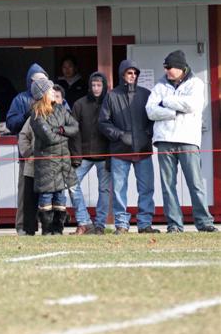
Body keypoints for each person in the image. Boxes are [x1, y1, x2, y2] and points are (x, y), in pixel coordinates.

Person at [146, 50, 218, 233]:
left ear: (180, 67)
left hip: (188, 140)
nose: (166, 70)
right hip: (164, 140)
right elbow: (150, 111)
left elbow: (192, 105)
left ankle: (204, 222)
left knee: (195, 183)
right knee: (167, 185)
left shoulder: (196, 83)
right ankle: (174, 225)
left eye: (169, 67)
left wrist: (166, 101)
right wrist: (174, 112)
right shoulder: (159, 85)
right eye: (165, 67)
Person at [99, 59, 160, 234]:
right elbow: (103, 122)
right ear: (122, 74)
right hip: (120, 151)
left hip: (143, 150)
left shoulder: (146, 94)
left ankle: (145, 224)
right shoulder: (111, 96)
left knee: (147, 188)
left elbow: (154, 118)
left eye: (135, 73)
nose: (132, 76)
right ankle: (121, 225)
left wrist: (147, 134)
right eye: (129, 72)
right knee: (119, 189)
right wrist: (119, 135)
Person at [30, 79, 79, 235]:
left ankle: (58, 230)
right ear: (43, 94)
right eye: (50, 90)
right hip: (47, 165)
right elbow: (49, 138)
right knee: (46, 196)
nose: (53, 92)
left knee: (60, 197)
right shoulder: (37, 115)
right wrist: (65, 136)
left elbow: (75, 127)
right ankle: (47, 230)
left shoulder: (61, 109)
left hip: (63, 163)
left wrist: (60, 130)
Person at [6, 63, 49, 236]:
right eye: (35, 81)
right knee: (25, 194)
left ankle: (50, 227)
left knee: (51, 194)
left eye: (43, 80)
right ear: (29, 82)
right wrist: (26, 114)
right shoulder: (20, 99)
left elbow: (66, 117)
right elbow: (11, 124)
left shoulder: (52, 97)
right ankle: (23, 227)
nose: (39, 84)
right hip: (28, 157)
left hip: (50, 157)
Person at [68, 72, 111, 235]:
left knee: (104, 190)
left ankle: (100, 224)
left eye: (99, 85)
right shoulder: (79, 104)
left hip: (105, 155)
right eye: (93, 85)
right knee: (72, 184)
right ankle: (84, 221)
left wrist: (111, 155)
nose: (96, 88)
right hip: (83, 155)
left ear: (104, 86)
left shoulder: (110, 103)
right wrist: (76, 156)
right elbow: (74, 132)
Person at [17, 116, 38, 235]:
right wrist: (28, 153)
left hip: (53, 164)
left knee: (53, 198)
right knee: (29, 197)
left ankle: (52, 228)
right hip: (33, 164)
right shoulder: (33, 117)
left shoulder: (62, 114)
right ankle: (29, 229)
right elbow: (23, 136)